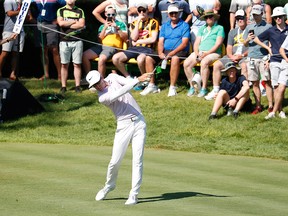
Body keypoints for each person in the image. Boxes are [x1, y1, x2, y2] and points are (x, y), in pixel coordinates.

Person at [86, 70, 152, 205]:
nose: (97, 86)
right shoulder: (102, 97)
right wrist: (138, 79)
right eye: (95, 85)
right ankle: (109, 186)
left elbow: (128, 83)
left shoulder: (113, 77)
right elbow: (119, 93)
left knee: (137, 160)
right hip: (123, 126)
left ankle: (134, 194)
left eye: (98, 82)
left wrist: (142, 79)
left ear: (102, 77)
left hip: (140, 122)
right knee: (115, 161)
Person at [143, 4, 190, 97]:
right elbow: (160, 41)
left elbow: (184, 43)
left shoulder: (185, 25)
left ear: (179, 13)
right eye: (171, 13)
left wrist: (172, 53)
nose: (173, 15)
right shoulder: (164, 26)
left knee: (175, 58)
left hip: (180, 51)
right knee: (148, 58)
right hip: (165, 50)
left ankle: (172, 87)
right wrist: (160, 52)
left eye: (175, 13)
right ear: (168, 14)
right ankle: (151, 85)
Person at [204, 9, 249, 101]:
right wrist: (231, 56)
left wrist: (242, 55)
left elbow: (252, 48)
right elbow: (229, 47)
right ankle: (216, 89)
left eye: (241, 18)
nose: (239, 20)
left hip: (244, 56)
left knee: (244, 66)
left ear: (246, 18)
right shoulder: (232, 32)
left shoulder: (250, 30)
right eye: (237, 18)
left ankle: (242, 91)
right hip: (232, 56)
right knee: (217, 65)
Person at [253, 6, 288, 119]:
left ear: (284, 17)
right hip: (274, 61)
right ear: (273, 19)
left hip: (286, 61)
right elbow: (256, 39)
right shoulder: (271, 30)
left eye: (280, 17)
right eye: (276, 17)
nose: (278, 19)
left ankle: (273, 112)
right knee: (277, 87)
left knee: (282, 87)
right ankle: (280, 110)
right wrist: (268, 49)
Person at [183, 10, 225, 97]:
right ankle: (193, 86)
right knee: (186, 63)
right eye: (206, 17)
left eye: (210, 17)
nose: (208, 19)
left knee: (204, 62)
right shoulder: (202, 29)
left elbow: (218, 44)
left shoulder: (220, 28)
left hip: (214, 53)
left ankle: (204, 88)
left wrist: (206, 53)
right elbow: (196, 43)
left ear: (214, 18)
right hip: (200, 52)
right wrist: (196, 53)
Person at [112, 3, 159, 79]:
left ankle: (145, 79)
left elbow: (153, 39)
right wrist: (138, 22)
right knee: (116, 58)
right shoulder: (134, 23)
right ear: (137, 12)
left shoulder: (153, 22)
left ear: (147, 11)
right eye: (139, 11)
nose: (141, 13)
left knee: (140, 59)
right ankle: (128, 77)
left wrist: (138, 42)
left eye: (143, 10)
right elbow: (133, 38)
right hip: (134, 49)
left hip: (147, 49)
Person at [243, 4, 273, 114]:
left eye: (257, 14)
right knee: (254, 83)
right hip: (252, 58)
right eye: (253, 15)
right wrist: (247, 39)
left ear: (262, 14)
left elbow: (271, 43)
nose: (255, 17)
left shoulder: (268, 27)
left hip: (263, 58)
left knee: (267, 82)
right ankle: (258, 106)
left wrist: (269, 58)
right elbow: (245, 44)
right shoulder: (249, 27)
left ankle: (271, 105)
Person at [82, 6, 128, 77]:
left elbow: (125, 38)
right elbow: (99, 39)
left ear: (115, 14)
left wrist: (117, 28)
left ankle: (101, 81)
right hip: (102, 46)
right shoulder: (102, 26)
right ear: (106, 14)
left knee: (101, 59)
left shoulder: (121, 24)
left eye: (113, 14)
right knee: (84, 55)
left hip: (113, 47)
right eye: (109, 15)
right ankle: (88, 77)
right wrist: (105, 28)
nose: (111, 16)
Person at [31, 0, 66, 80]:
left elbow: (67, 6)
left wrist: (59, 19)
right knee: (43, 50)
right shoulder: (34, 0)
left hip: (51, 25)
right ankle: (46, 74)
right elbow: (25, 5)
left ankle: (60, 75)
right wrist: (31, 18)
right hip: (39, 25)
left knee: (54, 49)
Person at [57, 0, 85, 94]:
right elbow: (61, 24)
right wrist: (74, 21)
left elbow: (81, 25)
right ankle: (63, 86)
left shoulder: (80, 11)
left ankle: (77, 86)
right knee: (64, 64)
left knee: (77, 64)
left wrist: (67, 23)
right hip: (64, 41)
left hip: (77, 41)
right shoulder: (61, 10)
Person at [0, 0, 29, 80]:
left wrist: (26, 12)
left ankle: (12, 73)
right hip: (9, 30)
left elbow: (27, 18)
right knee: (5, 52)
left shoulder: (23, 3)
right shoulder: (8, 1)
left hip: (20, 30)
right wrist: (21, 11)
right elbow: (9, 13)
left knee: (16, 53)